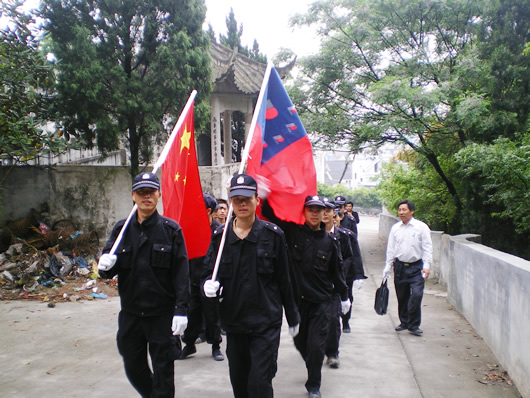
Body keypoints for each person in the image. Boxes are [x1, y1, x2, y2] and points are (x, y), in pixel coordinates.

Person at [202, 173, 300, 398]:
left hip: (265, 323)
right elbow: (207, 274)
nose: (242, 204)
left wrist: (293, 316)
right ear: (230, 202)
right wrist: (207, 286)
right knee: (239, 382)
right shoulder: (220, 237)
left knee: (260, 382)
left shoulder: (273, 236)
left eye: (247, 198)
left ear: (257, 200)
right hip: (235, 324)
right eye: (237, 199)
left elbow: (285, 280)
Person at [98, 172, 189, 397]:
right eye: (141, 192)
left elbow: (181, 275)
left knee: (163, 371)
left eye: (151, 192)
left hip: (161, 315)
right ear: (133, 196)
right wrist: (105, 265)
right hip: (131, 315)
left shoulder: (171, 230)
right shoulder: (121, 230)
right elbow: (107, 272)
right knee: (133, 366)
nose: (146, 197)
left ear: (159, 194)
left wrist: (181, 311)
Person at [262, 195, 350, 398]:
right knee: (300, 342)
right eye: (310, 209)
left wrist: (344, 296)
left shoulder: (330, 242)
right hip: (298, 304)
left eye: (318, 210)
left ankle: (313, 385)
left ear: (324, 214)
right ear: (304, 212)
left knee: (316, 346)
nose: (314, 213)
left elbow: (337, 272)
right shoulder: (293, 233)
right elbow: (270, 215)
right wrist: (266, 195)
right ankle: (312, 364)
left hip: (322, 302)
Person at [180, 194, 224, 361]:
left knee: (212, 315)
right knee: (192, 312)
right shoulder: (190, 229)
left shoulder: (219, 231)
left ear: (208, 211)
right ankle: (189, 344)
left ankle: (215, 345)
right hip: (193, 278)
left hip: (211, 280)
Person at [383, 199, 433, 336]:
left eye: (404, 210)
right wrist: (387, 266)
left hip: (416, 267)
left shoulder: (421, 227)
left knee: (416, 294)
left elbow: (427, 247)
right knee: (402, 296)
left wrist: (427, 265)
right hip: (399, 266)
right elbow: (391, 249)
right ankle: (404, 322)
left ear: (412, 211)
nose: (401, 212)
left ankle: (414, 324)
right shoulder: (395, 228)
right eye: (399, 210)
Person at [321, 197, 352, 369]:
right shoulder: (311, 235)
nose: (324, 213)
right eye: (321, 209)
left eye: (328, 209)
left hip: (334, 286)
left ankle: (332, 353)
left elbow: (349, 258)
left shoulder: (343, 236)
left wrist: (342, 277)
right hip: (315, 286)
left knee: (333, 320)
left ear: (335, 213)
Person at [333, 210, 367, 333]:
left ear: (340, 218)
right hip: (329, 276)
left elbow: (355, 256)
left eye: (335, 217)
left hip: (346, 275)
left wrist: (358, 275)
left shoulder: (347, 235)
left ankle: (346, 321)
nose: (333, 220)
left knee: (347, 297)